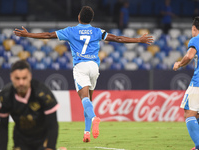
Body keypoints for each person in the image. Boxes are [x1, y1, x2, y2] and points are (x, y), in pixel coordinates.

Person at [13, 6, 154, 143]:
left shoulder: (71, 31)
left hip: (80, 66)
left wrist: (28, 34)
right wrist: (138, 40)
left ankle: (94, 119)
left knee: (84, 99)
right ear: (91, 19)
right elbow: (118, 39)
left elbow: (49, 35)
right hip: (94, 67)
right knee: (88, 101)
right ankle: (86, 133)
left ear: (79, 17)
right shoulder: (97, 31)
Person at [0, 60, 59, 150]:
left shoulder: (44, 93)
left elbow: (53, 125)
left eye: (24, 78)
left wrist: (50, 147)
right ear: (11, 77)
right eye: (17, 78)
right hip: (21, 140)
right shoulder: (5, 96)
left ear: (30, 77)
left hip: (43, 139)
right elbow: (3, 128)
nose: (21, 83)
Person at [173, 16, 199, 150]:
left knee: (189, 112)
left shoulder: (196, 39)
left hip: (198, 83)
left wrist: (179, 64)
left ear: (194, 28)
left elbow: (189, 56)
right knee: (197, 114)